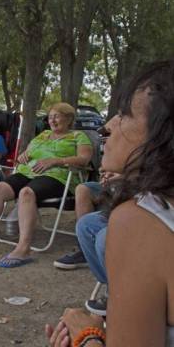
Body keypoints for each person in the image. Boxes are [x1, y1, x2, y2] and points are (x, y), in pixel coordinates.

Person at [46, 60, 174, 347]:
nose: (108, 127)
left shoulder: (141, 221)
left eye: (124, 114)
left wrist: (86, 335)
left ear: (163, 135)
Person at [0, 102, 92, 266]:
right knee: (0, 188)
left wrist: (56, 160)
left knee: (26, 192)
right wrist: (22, 157)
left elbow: (84, 159)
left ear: (69, 119)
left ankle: (23, 248)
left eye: (57, 117)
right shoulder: (43, 135)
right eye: (51, 117)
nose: (52, 120)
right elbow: (26, 153)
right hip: (27, 172)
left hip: (58, 176)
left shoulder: (78, 136)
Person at [53, 171, 120, 270]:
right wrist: (105, 172)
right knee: (83, 190)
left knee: (101, 239)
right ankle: (85, 252)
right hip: (113, 184)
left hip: (137, 187)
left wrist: (121, 177)